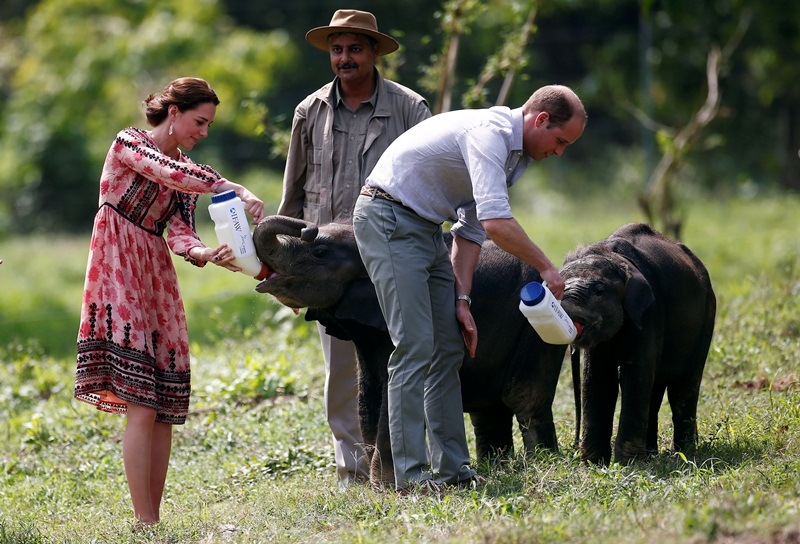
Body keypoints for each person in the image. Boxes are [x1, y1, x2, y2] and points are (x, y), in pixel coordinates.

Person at [352, 85, 587, 494]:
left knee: (448, 345)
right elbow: (497, 222)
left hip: (426, 229)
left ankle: (455, 470)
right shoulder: (489, 133)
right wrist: (546, 267)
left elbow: (474, 229)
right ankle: (408, 478)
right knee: (414, 346)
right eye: (561, 141)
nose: (560, 152)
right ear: (541, 120)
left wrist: (462, 299)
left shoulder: (516, 157)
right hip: (387, 218)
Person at [74, 77, 265, 527]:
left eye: (209, 124)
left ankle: (151, 518)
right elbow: (167, 172)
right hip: (116, 262)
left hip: (154, 271)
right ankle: (145, 522)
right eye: (199, 121)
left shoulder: (189, 170)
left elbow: (179, 232)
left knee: (161, 401)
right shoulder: (130, 144)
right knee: (141, 399)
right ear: (174, 112)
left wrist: (205, 254)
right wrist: (231, 186)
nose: (203, 131)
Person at [277, 9, 431, 489]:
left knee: (407, 356)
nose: (344, 58)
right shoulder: (310, 111)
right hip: (330, 265)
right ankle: (354, 470)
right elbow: (293, 197)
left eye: (355, 48)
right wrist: (286, 259)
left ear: (374, 53)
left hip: (396, 252)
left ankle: (404, 461)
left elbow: (433, 184)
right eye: (337, 49)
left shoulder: (410, 109)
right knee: (341, 368)